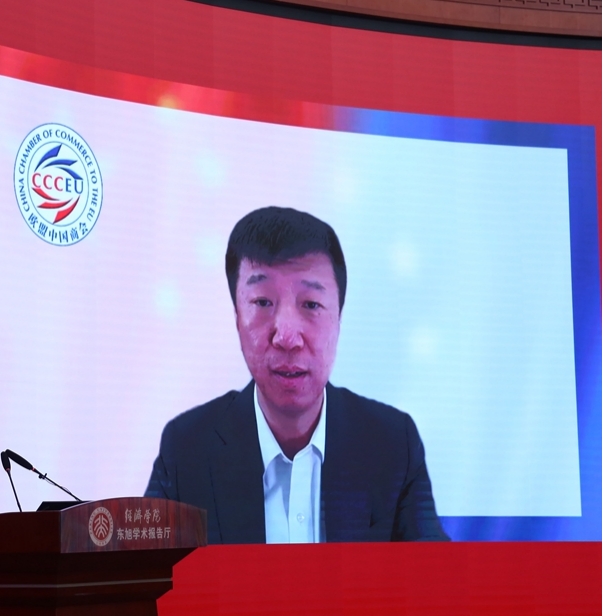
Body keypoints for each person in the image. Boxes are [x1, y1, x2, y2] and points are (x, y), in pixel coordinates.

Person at [145, 206, 448, 543]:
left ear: (338, 318)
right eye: (262, 302)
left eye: (311, 304)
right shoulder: (187, 449)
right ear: (237, 317)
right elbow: (141, 570)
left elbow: (437, 572)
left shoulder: (392, 445)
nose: (287, 336)